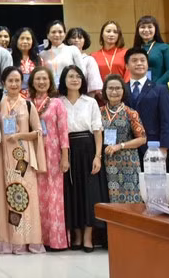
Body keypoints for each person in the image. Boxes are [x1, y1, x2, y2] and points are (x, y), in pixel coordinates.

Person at [0, 66, 46, 254]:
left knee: (24, 197)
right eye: (10, 81)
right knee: (6, 197)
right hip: (3, 157)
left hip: (23, 159)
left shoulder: (28, 105)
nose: (14, 84)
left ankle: (26, 240)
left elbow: (39, 132)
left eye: (17, 80)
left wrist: (20, 135)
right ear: (3, 83)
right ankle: (9, 240)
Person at [59, 65, 106, 252]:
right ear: (64, 80)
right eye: (71, 76)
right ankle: (76, 235)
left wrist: (98, 155)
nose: (75, 79)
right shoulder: (58, 102)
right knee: (72, 193)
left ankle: (88, 236)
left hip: (87, 148)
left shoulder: (90, 102)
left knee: (89, 193)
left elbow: (97, 130)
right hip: (66, 149)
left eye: (78, 76)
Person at [29, 66, 70, 251]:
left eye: (44, 79)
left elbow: (63, 132)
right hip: (32, 153)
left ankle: (55, 239)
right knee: (35, 195)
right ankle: (37, 238)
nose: (41, 82)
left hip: (52, 153)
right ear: (32, 81)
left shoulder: (57, 103)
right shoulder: (27, 102)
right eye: (37, 79)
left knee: (53, 196)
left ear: (50, 81)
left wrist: (65, 157)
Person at [124, 48, 169, 168]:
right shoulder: (121, 89)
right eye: (134, 60)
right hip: (126, 146)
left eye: (143, 60)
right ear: (127, 65)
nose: (139, 63)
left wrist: (164, 147)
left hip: (153, 147)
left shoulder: (160, 89)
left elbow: (167, 120)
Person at [100, 75, 146, 203]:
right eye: (110, 88)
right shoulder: (99, 112)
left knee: (131, 201)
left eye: (118, 88)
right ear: (105, 91)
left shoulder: (131, 113)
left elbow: (142, 139)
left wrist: (119, 146)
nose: (114, 92)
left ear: (123, 90)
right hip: (106, 162)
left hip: (128, 163)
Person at [40, 21, 83, 90]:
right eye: (53, 32)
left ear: (65, 34)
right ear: (48, 35)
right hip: (50, 91)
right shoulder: (42, 54)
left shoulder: (72, 49)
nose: (57, 35)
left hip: (70, 90)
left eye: (60, 32)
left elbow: (82, 71)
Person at [133, 15, 169, 85]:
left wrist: (156, 85)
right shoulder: (134, 50)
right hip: (139, 89)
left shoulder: (164, 47)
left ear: (156, 29)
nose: (146, 30)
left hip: (159, 88)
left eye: (150, 27)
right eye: (142, 27)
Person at [66, 28, 102, 98]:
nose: (76, 40)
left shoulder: (89, 60)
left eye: (80, 38)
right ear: (68, 40)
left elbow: (93, 86)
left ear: (84, 41)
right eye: (73, 37)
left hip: (84, 98)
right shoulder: (64, 59)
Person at [11, 27, 41, 98]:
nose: (25, 41)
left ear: (32, 41)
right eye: (22, 38)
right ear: (16, 41)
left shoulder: (39, 59)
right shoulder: (10, 58)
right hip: (15, 97)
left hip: (35, 97)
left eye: (28, 39)